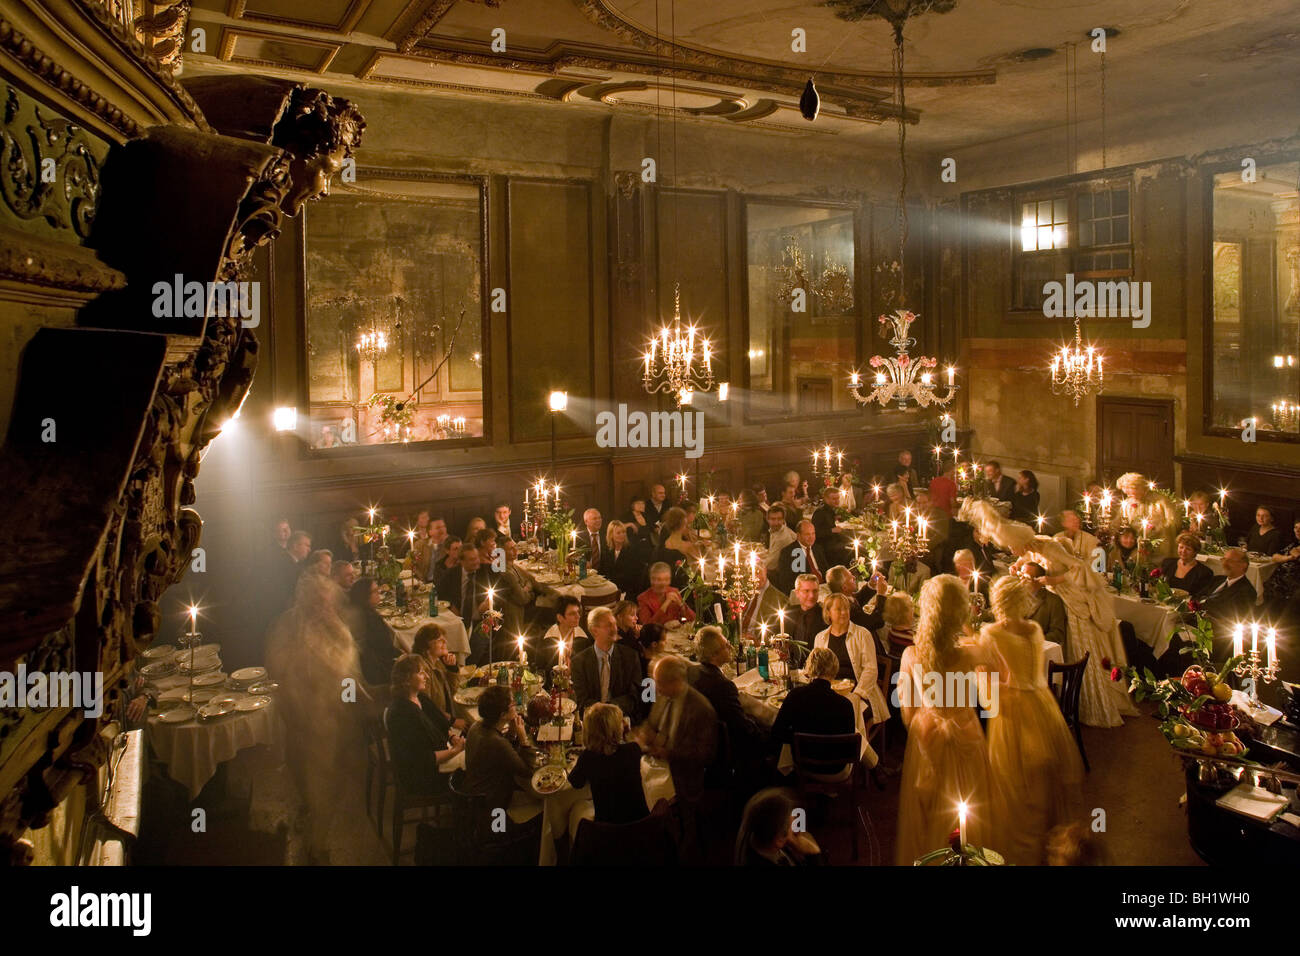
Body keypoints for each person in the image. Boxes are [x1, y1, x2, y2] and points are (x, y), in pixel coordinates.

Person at [963, 498, 1136, 728]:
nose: (1013, 551)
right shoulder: (1030, 547)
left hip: (1073, 596)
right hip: (1056, 595)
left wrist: (1051, 580)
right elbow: (1026, 558)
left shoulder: (1049, 546)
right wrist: (1017, 565)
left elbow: (1080, 567)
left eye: (1013, 547)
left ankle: (1087, 704)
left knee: (1078, 646)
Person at [979, 575, 1084, 865]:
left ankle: (1019, 845)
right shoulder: (1034, 629)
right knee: (1042, 776)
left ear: (998, 601)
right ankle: (1045, 841)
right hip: (1040, 704)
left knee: (1012, 778)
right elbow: (1034, 673)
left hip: (1012, 710)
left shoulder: (992, 633)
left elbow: (986, 681)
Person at [265, 572, 364, 863]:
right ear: (303, 600)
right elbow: (277, 666)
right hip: (298, 717)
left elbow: (348, 667)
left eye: (326, 601)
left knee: (324, 783)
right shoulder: (286, 625)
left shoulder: (336, 625)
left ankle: (318, 846)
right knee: (302, 778)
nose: (323, 607)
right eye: (316, 602)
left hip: (328, 719)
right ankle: (308, 820)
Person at [895, 574, 992, 865]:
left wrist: (924, 727)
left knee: (927, 815)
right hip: (967, 733)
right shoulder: (972, 652)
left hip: (927, 736)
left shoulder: (911, 656)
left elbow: (907, 712)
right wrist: (966, 626)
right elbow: (992, 689)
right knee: (969, 809)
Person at [813, 593, 887, 764]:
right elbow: (818, 670)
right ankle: (831, 760)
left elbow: (871, 669)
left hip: (860, 691)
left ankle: (856, 762)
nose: (844, 612)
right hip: (830, 691)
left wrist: (857, 694)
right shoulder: (820, 637)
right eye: (838, 609)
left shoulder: (863, 634)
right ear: (828, 613)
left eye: (846, 608)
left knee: (847, 713)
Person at [636, 655, 717, 800]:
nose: (657, 689)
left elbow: (704, 754)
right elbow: (652, 723)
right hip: (656, 765)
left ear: (676, 682)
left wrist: (668, 753)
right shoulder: (663, 695)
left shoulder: (700, 709)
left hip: (682, 775)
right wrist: (645, 733)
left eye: (660, 683)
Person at [463, 685, 542, 826]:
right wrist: (523, 738)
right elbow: (528, 770)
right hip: (494, 808)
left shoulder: (477, 727)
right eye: (512, 704)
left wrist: (512, 734)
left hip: (476, 795)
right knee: (542, 803)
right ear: (502, 715)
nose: (516, 706)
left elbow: (503, 755)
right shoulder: (495, 742)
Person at [386, 655, 465, 794]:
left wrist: (452, 737)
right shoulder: (402, 713)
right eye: (421, 672)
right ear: (406, 679)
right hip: (424, 777)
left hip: (439, 756)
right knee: (478, 762)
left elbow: (440, 724)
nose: (427, 676)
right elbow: (422, 759)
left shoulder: (419, 697)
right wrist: (455, 751)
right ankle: (466, 805)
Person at [692, 626, 766, 772]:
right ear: (714, 655)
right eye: (726, 646)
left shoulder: (696, 673)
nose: (730, 646)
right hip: (726, 753)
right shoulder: (723, 686)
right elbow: (741, 728)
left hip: (703, 745)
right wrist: (765, 735)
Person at [568, 703, 650, 824]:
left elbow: (576, 783)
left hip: (608, 831)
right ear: (617, 730)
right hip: (642, 823)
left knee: (576, 809)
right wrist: (626, 735)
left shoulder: (587, 757)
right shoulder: (633, 749)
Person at [770, 647, 854, 749]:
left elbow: (777, 732)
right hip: (836, 764)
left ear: (809, 667)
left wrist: (797, 737)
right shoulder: (845, 705)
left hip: (802, 760)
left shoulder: (795, 696)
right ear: (835, 669)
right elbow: (850, 745)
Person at [571, 606, 644, 720]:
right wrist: (600, 712)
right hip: (591, 720)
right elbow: (581, 699)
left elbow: (634, 696)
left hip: (621, 718)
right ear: (595, 631)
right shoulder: (579, 662)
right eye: (609, 625)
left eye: (615, 624)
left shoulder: (630, 656)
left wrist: (609, 709)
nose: (615, 629)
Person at [735, 788, 824, 866]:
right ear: (778, 840)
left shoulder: (753, 826)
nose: (797, 829)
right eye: (791, 826)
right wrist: (814, 854)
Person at [345, 576, 398, 687]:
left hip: (369, 665)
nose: (378, 592)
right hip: (378, 668)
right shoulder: (371, 619)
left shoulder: (359, 612)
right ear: (365, 596)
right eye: (374, 591)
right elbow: (386, 648)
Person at [411, 623, 465, 729]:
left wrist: (452, 669)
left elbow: (454, 691)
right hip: (436, 724)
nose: (445, 642)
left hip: (445, 718)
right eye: (440, 640)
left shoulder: (438, 663)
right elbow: (427, 707)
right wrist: (452, 721)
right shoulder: (423, 670)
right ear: (426, 646)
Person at [1112, 472, 1177, 560]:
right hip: (1135, 545)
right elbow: (1118, 521)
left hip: (1159, 546)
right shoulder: (1128, 502)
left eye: (1130, 493)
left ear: (1140, 487)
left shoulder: (1161, 501)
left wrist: (1155, 531)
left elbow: (1172, 521)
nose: (1128, 496)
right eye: (1127, 494)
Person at [1201, 548, 1257, 643]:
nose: (1224, 564)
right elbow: (1197, 596)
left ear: (1243, 565)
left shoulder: (1247, 591)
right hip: (1197, 622)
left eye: (1230, 561)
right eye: (1223, 559)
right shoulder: (1217, 580)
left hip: (1216, 634)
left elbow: (1229, 618)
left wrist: (1202, 607)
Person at [1021, 563, 1069, 650]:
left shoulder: (1053, 601)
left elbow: (1058, 634)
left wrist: (1033, 640)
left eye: (1026, 577)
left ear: (1039, 581)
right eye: (1020, 576)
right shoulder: (1015, 596)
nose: (1021, 580)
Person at [826, 564, 886, 631]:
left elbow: (858, 598)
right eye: (851, 579)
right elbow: (876, 622)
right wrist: (881, 594)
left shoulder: (844, 597)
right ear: (844, 587)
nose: (854, 577)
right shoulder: (845, 610)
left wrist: (871, 584)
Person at [651, 507, 699, 589]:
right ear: (683, 525)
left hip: (667, 584)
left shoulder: (663, 545)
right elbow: (696, 569)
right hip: (684, 586)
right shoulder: (687, 546)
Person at [775, 520, 827, 592]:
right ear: (798, 535)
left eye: (813, 534)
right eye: (807, 534)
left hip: (823, 587)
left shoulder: (818, 548)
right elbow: (786, 582)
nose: (811, 537)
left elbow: (825, 570)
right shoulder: (788, 552)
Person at [637, 562, 695, 627]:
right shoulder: (643, 598)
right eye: (659, 579)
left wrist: (681, 604)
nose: (663, 583)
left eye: (666, 579)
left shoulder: (674, 591)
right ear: (652, 580)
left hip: (677, 633)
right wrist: (666, 603)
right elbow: (647, 626)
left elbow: (692, 618)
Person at [1160, 532, 1215, 598]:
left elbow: (1200, 597)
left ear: (1195, 552)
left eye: (1188, 549)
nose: (1183, 551)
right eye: (1181, 547)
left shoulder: (1204, 572)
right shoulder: (1168, 563)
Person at [601, 519, 646, 598]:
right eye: (618, 533)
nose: (622, 535)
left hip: (627, 591)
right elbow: (602, 571)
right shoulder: (606, 550)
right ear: (611, 535)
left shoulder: (632, 550)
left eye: (624, 532)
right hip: (609, 590)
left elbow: (633, 576)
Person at [544, 595, 592, 666]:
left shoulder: (586, 640)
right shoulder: (546, 640)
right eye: (572, 614)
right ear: (560, 618)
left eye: (578, 612)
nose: (578, 616)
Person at [783, 574, 826, 649]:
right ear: (797, 593)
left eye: (815, 591)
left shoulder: (825, 615)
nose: (811, 595)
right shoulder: (788, 613)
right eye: (806, 591)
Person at [1264, 520, 1300, 609]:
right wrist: (1289, 558)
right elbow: (1275, 557)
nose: (1297, 531)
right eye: (1296, 527)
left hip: (1292, 584)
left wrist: (1296, 556)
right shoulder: (1293, 544)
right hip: (1277, 581)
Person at [811, 487, 846, 564]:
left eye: (838, 498)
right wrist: (832, 530)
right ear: (826, 499)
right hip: (825, 548)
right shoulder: (820, 512)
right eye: (834, 499)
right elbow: (815, 533)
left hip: (832, 544)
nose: (837, 501)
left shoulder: (830, 510)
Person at [762, 503, 797, 570]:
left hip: (783, 573)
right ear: (767, 519)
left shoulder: (782, 538)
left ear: (783, 520)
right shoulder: (782, 529)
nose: (776, 523)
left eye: (779, 519)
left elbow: (769, 565)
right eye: (773, 519)